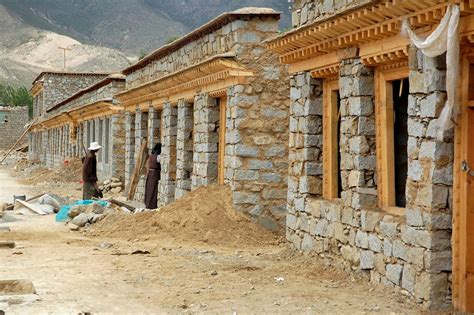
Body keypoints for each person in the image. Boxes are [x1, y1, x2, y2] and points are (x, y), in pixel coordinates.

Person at [144, 143, 161, 209]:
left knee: (149, 189)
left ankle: (148, 203)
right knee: (153, 190)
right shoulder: (158, 157)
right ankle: (152, 205)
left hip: (150, 173)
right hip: (155, 174)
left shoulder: (151, 156)